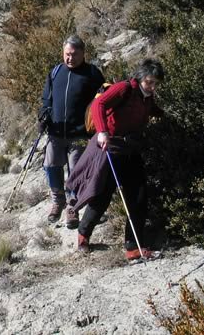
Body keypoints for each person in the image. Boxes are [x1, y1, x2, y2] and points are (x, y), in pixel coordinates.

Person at [65, 58, 165, 261]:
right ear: (140, 77)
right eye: (149, 82)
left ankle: (133, 247)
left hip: (131, 150)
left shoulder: (147, 98)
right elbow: (99, 104)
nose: (152, 87)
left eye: (156, 83)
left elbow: (151, 111)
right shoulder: (124, 89)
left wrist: (168, 115)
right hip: (110, 149)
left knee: (138, 197)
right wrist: (102, 131)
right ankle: (83, 234)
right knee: (101, 196)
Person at [38, 35, 105, 228]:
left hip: (80, 134)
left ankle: (72, 207)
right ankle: (57, 200)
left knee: (76, 171)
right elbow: (46, 100)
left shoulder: (92, 74)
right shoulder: (56, 72)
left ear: (83, 53)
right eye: (67, 54)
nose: (70, 58)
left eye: (74, 55)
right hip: (55, 132)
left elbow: (102, 101)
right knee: (51, 165)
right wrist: (43, 116)